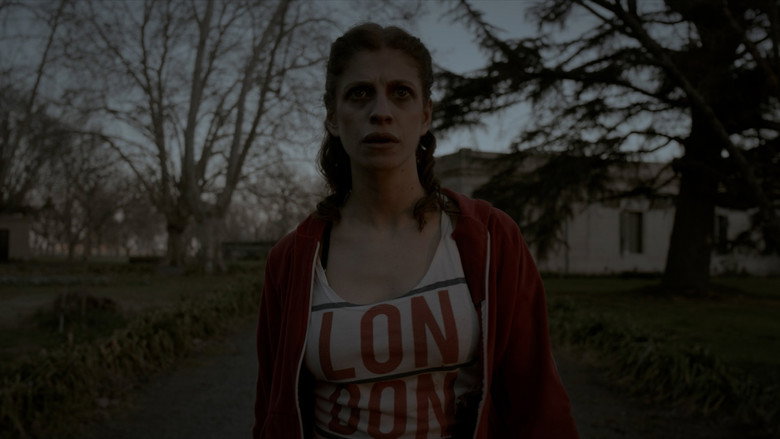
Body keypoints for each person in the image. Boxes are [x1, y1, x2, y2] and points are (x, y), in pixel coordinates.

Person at [253, 22, 579, 439]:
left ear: (425, 116)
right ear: (333, 117)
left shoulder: (490, 238)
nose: (380, 111)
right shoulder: (292, 260)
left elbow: (537, 403)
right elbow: (272, 409)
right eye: (360, 93)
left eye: (401, 93)